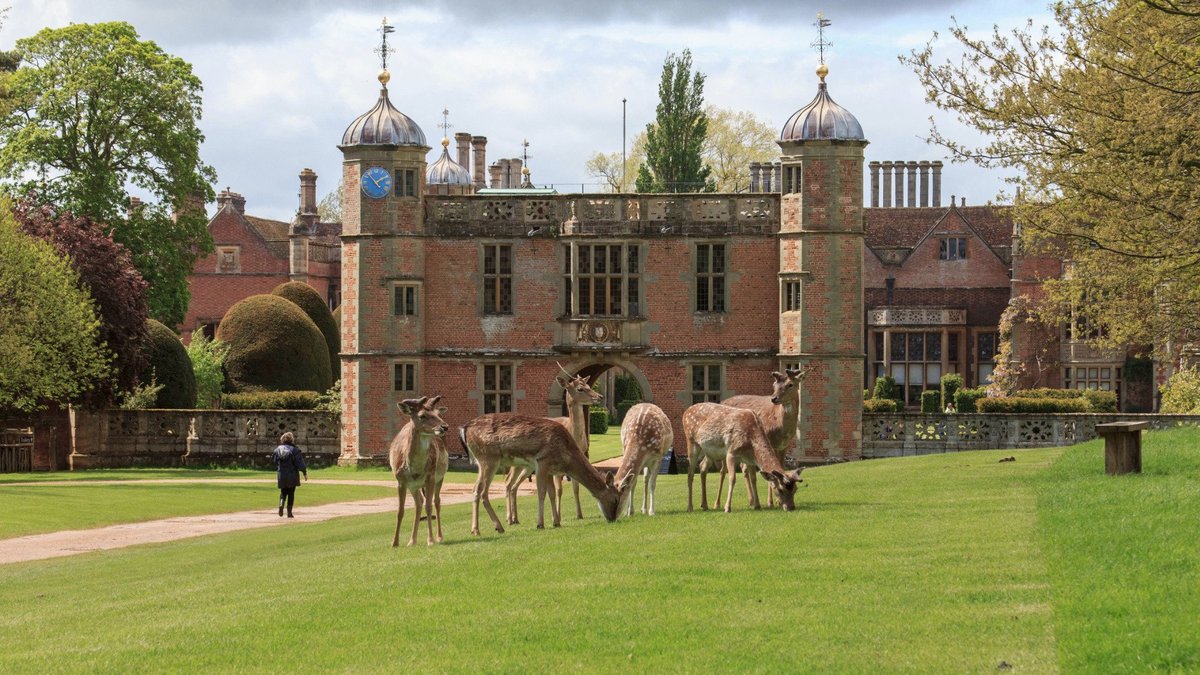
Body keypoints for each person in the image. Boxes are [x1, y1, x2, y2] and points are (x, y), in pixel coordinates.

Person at [272, 432, 307, 518]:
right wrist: (304, 472)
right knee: (291, 493)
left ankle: (281, 506)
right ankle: (289, 512)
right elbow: (300, 463)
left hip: (281, 474)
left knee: (283, 493)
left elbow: (274, 461)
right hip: (292, 474)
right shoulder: (295, 450)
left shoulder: (277, 450)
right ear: (291, 440)